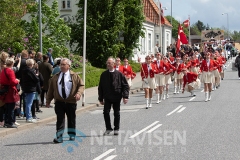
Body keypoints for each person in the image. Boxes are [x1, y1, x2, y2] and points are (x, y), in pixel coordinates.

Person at [46, 58, 84, 143]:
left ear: (69, 66)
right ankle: (59, 137)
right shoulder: (55, 77)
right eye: (61, 65)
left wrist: (78, 93)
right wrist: (48, 100)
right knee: (60, 119)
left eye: (64, 65)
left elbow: (81, 85)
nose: (62, 66)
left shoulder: (74, 76)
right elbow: (51, 89)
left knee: (71, 119)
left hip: (71, 101)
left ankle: (71, 135)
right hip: (59, 101)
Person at [98, 57, 129, 135]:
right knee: (105, 112)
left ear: (114, 64)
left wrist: (125, 96)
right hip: (107, 97)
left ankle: (116, 128)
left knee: (116, 113)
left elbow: (125, 85)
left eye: (110, 63)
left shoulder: (119, 74)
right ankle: (108, 128)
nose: (108, 64)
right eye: (107, 63)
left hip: (116, 96)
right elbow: (100, 87)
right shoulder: (104, 74)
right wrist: (100, 98)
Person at [0, 57, 20, 128]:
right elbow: (12, 82)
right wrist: (17, 81)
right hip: (11, 90)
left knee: (7, 107)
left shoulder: (3, 70)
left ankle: (6, 122)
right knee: (11, 107)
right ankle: (10, 122)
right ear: (12, 63)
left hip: (5, 89)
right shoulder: (10, 71)